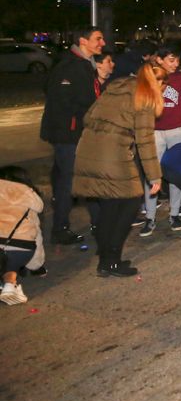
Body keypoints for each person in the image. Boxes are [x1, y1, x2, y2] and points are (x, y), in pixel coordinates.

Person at [73, 63, 167, 277]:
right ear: (157, 83)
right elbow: (145, 141)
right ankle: (111, 260)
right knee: (130, 203)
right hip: (112, 155)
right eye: (163, 86)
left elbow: (88, 116)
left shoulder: (117, 86)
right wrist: (155, 176)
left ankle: (105, 258)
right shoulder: (144, 97)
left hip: (88, 148)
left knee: (109, 208)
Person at [39, 26, 105, 244]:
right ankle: (60, 229)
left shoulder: (84, 64)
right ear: (83, 41)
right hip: (69, 135)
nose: (102, 43)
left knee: (74, 180)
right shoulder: (70, 66)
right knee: (69, 182)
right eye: (98, 39)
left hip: (76, 132)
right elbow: (64, 101)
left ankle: (94, 223)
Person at [139, 45, 181, 236]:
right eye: (171, 60)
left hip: (177, 130)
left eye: (177, 59)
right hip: (154, 131)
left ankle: (175, 213)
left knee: (177, 173)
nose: (176, 64)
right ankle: (150, 216)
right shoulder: (149, 76)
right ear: (159, 60)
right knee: (152, 174)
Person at [0, 168, 45, 305]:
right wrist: (36, 266)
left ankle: (6, 284)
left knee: (5, 260)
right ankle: (10, 284)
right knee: (12, 259)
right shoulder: (29, 198)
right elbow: (37, 236)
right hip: (20, 247)